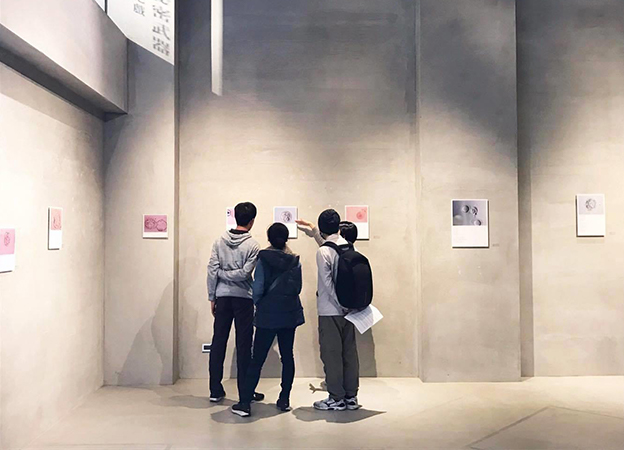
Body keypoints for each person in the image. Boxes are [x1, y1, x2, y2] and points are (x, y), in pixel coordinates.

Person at [231, 223, 305, 417]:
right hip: (289, 313)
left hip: (268, 314)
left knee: (257, 358)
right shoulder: (295, 260)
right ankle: (284, 399)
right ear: (287, 238)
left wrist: (260, 303)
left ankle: (245, 403)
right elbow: (297, 288)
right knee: (287, 356)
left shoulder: (264, 259)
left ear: (269, 238)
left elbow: (258, 287)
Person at [207, 202, 264, 403]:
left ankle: (215, 390)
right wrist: (230, 275)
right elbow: (244, 274)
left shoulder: (218, 242)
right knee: (244, 345)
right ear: (252, 221)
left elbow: (212, 270)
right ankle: (245, 393)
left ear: (235, 217)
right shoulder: (253, 245)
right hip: (244, 298)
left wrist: (212, 296)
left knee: (218, 342)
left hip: (222, 297)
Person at [308, 210, 361, 411]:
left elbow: (327, 282)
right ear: (338, 227)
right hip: (350, 310)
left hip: (330, 310)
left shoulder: (323, 252)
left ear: (322, 228)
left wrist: (340, 304)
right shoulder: (349, 246)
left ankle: (336, 398)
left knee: (331, 354)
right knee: (349, 353)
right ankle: (351, 396)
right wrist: (348, 305)